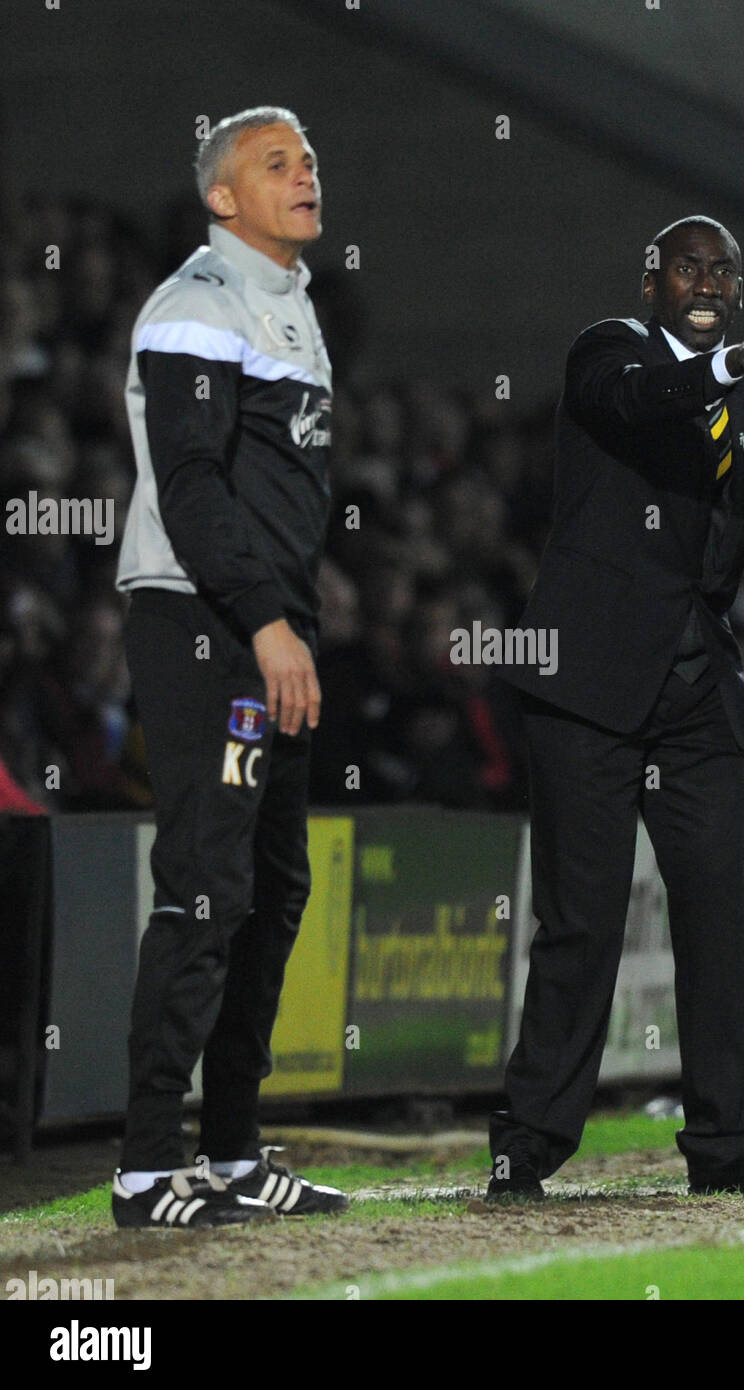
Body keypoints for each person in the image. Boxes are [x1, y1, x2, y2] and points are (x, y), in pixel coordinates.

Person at [489, 216, 744, 1198]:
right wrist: (731, 364)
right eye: (687, 265)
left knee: (718, 918)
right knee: (581, 923)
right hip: (588, 685)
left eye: (723, 270)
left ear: (737, 290)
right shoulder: (606, 353)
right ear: (652, 280)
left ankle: (724, 1149)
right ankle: (526, 1144)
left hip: (700, 689)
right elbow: (641, 405)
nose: (705, 281)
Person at [112, 107, 348, 1226]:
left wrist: (291, 614)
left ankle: (236, 1150)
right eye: (275, 163)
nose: (304, 175)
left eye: (306, 160)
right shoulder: (196, 308)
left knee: (272, 888)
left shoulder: (294, 311)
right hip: (201, 620)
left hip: (268, 626)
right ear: (222, 198)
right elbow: (194, 486)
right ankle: (149, 1165)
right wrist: (264, 621)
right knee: (206, 883)